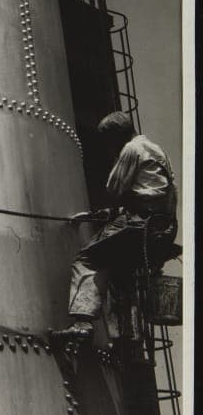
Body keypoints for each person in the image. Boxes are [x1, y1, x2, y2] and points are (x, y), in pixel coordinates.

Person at [53, 111, 178, 341]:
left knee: (87, 258)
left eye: (109, 142)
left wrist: (115, 161)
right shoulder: (156, 150)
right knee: (121, 267)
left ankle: (82, 322)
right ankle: (128, 333)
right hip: (163, 226)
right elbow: (148, 195)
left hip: (140, 223)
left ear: (115, 138)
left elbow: (114, 188)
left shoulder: (131, 149)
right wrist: (98, 215)